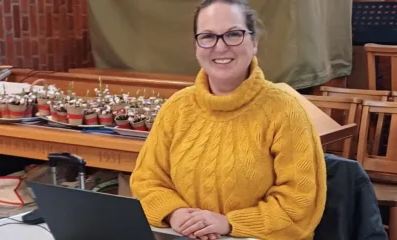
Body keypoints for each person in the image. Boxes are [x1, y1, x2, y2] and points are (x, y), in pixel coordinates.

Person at [130, 0, 327, 239]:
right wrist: (175, 213)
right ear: (196, 46)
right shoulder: (176, 108)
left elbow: (299, 204)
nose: (220, 47)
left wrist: (229, 224)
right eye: (208, 36)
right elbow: (146, 181)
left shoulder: (285, 110)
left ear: (254, 42)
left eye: (234, 34)